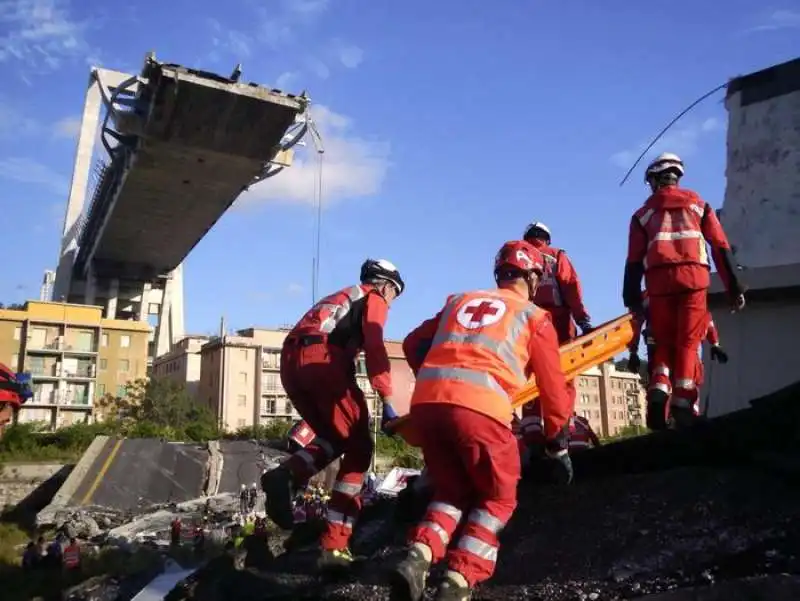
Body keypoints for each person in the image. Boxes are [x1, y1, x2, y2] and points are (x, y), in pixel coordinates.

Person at [390, 240, 573, 601]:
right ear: (534, 277)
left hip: (428, 406)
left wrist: (438, 379)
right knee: (497, 497)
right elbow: (554, 391)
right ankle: (458, 581)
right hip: (480, 411)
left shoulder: (459, 301)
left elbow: (412, 344)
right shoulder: (534, 317)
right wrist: (557, 444)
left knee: (452, 491)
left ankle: (418, 556)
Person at [261, 258, 404, 569]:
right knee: (359, 447)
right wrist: (388, 399)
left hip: (291, 362)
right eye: (395, 293)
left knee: (334, 437)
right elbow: (376, 346)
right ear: (386, 284)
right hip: (323, 361)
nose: (392, 302)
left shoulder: (339, 297)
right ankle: (335, 544)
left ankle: (285, 475)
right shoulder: (374, 296)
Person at [623, 152, 745, 431]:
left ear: (655, 180)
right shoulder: (700, 206)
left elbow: (633, 260)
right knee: (688, 344)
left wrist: (632, 298)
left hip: (658, 285)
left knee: (663, 342)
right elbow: (720, 247)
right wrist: (734, 287)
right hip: (694, 281)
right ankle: (682, 401)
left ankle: (659, 387)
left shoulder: (642, 215)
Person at [520, 221, 593, 450]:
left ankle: (531, 428)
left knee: (529, 374)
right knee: (564, 373)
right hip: (558, 323)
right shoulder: (556, 256)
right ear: (547, 238)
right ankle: (563, 425)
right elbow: (571, 287)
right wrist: (583, 320)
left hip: (526, 322)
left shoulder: (519, 257)